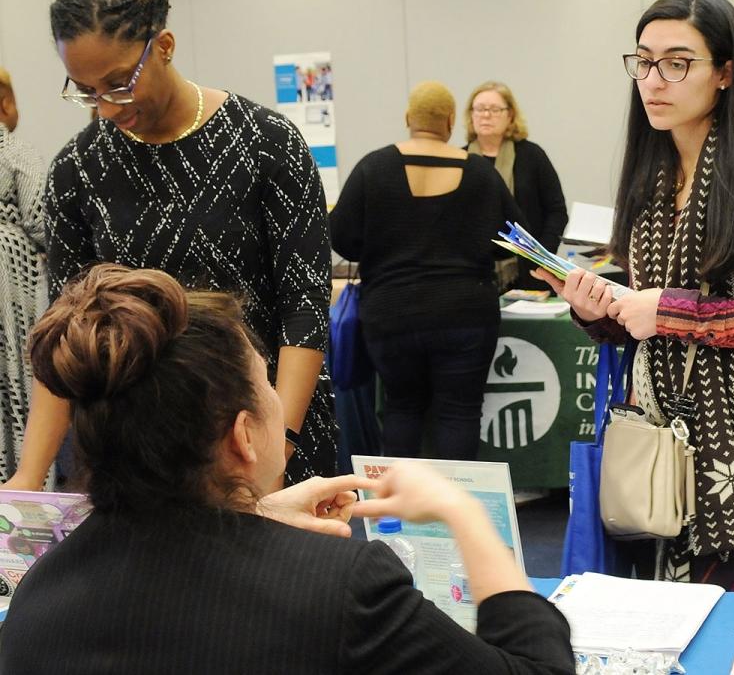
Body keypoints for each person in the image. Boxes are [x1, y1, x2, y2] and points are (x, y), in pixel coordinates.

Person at [0, 264, 574, 674]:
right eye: (266, 384)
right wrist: (464, 513)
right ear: (243, 437)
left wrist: (254, 514)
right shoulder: (345, 589)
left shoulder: (37, 601)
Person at [534, 0, 734, 595]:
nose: (654, 80)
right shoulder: (652, 168)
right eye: (643, 61)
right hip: (656, 435)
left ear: (725, 73)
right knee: (661, 620)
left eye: (677, 62)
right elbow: (646, 315)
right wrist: (601, 311)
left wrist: (672, 311)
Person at [4, 0, 335, 490]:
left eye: (118, 83)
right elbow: (69, 327)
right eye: (87, 92)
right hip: (135, 458)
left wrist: (277, 450)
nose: (108, 108)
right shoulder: (78, 169)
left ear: (163, 46)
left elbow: (304, 311)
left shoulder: (266, 144)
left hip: (265, 436)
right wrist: (28, 473)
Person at [330, 81, 524, 460]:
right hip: (466, 314)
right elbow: (516, 238)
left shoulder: (374, 167)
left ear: (408, 119)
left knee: (401, 408)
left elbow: (341, 239)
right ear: (452, 121)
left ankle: (397, 515)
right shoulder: (481, 174)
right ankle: (455, 514)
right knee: (459, 413)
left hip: (391, 313)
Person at [465, 81, 568, 290]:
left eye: (494, 109)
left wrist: (542, 257)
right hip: (475, 275)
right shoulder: (461, 160)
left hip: (531, 272)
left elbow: (556, 211)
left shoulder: (531, 155)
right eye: (479, 109)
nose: (485, 115)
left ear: (510, 115)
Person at [0, 67, 48, 483]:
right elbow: (40, 219)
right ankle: (25, 481)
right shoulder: (16, 152)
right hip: (11, 284)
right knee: (22, 381)